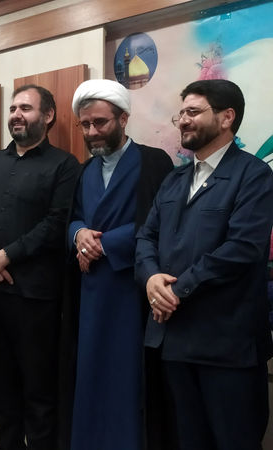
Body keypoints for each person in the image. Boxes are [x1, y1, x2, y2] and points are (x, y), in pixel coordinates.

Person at [136, 79, 273, 450]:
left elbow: (242, 249)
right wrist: (151, 279)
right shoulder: (174, 179)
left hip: (227, 345)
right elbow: (146, 238)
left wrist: (175, 291)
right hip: (173, 341)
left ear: (227, 117)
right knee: (187, 440)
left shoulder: (254, 176)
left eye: (193, 112)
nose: (183, 120)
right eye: (181, 113)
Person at [0, 84, 80, 450]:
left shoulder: (65, 165)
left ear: (48, 115)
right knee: (0, 390)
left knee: (39, 395)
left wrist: (5, 256)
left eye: (25, 108)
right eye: (13, 108)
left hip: (35, 299)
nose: (16, 115)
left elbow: (56, 223)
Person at [59, 79, 173, 450]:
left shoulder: (154, 161)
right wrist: (78, 234)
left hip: (133, 289)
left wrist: (104, 243)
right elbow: (72, 217)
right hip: (90, 289)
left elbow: (160, 222)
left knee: (127, 375)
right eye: (85, 124)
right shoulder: (84, 170)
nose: (92, 132)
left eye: (100, 122)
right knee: (90, 372)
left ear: (123, 119)